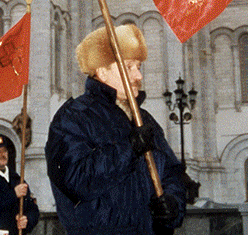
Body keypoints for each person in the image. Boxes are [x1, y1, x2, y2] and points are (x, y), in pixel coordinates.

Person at [46, 24, 185, 235]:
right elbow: (75, 180)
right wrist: (128, 149)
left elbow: (172, 172)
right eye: (129, 67)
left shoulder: (143, 119)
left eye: (139, 67)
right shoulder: (74, 117)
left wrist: (173, 204)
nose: (138, 75)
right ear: (102, 72)